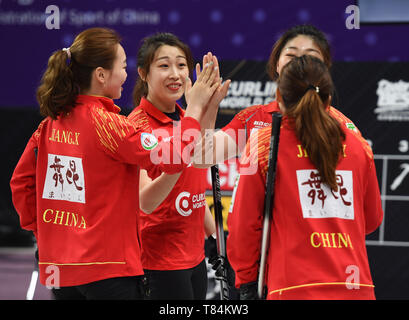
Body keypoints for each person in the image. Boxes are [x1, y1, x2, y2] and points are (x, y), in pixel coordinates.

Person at [10, 27, 221, 300]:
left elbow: (21, 184)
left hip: (60, 267)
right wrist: (194, 109)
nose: (126, 75)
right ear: (101, 75)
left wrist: (44, 232)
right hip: (107, 270)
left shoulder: (50, 123)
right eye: (122, 66)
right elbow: (175, 157)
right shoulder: (110, 125)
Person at [226, 55, 383, 300]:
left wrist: (246, 281)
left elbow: (243, 226)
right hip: (357, 290)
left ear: (279, 98)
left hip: (292, 289)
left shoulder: (265, 143)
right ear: (329, 99)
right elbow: (372, 220)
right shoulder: (358, 145)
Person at [127, 32, 230, 300]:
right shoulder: (137, 126)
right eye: (164, 65)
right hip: (160, 262)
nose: (175, 74)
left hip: (194, 257)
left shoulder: (187, 117)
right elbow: (145, 202)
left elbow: (198, 171)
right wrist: (196, 111)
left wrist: (215, 237)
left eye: (181, 65)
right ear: (143, 73)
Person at [195, 24, 366, 167]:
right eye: (291, 55)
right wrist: (208, 106)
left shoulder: (343, 126)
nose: (300, 63)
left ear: (324, 68)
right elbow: (201, 159)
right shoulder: (253, 119)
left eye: (311, 56)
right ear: (277, 65)